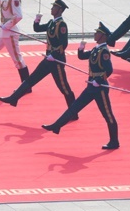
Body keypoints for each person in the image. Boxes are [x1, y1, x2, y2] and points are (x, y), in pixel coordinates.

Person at [42, 22, 119, 150]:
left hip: (100, 88)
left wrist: (99, 80)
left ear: (103, 36)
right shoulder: (96, 49)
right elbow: (82, 57)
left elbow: (109, 70)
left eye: (97, 33)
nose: (95, 34)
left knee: (108, 115)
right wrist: (81, 48)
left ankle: (114, 141)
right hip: (91, 85)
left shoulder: (104, 51)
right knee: (75, 106)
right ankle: (57, 125)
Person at [0, 0, 76, 111]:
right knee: (32, 79)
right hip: (48, 59)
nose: (52, 9)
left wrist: (54, 55)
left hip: (56, 61)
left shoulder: (61, 25)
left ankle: (73, 112)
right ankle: (14, 98)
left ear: (60, 10)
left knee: (64, 87)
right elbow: (37, 29)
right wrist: (37, 19)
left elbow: (63, 44)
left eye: (54, 7)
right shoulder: (52, 22)